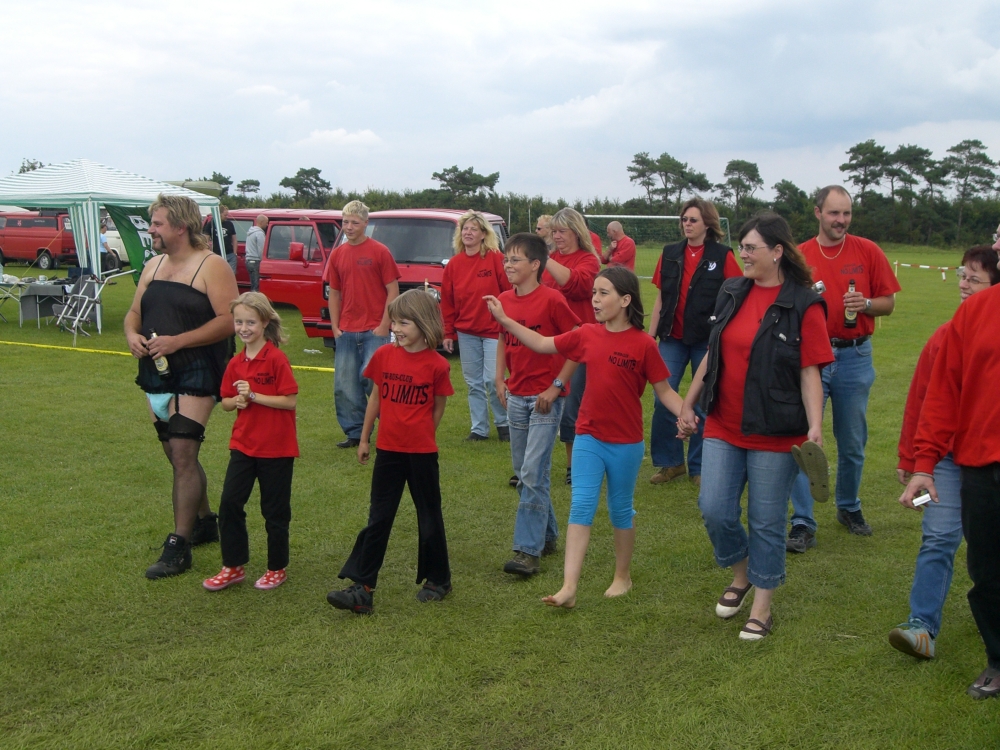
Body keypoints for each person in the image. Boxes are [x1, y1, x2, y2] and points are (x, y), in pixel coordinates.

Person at [486, 267, 685, 608]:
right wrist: (505, 320)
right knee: (581, 506)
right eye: (594, 292)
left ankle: (622, 576)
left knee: (620, 509)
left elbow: (664, 390)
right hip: (588, 437)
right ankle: (569, 588)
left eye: (603, 293)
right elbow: (542, 343)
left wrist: (686, 413)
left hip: (626, 443)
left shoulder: (643, 344)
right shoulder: (587, 334)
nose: (595, 299)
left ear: (625, 300)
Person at [679, 213, 832, 640]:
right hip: (723, 423)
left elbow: (810, 371)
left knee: (767, 520)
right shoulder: (732, 291)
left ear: (777, 251)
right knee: (714, 508)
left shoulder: (804, 303)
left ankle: (762, 606)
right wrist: (688, 402)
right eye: (742, 247)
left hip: (776, 430)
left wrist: (815, 426)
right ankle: (742, 573)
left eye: (751, 248)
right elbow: (712, 353)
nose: (743, 255)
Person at [890, 247, 1000, 659]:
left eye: (975, 279)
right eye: (962, 276)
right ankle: (921, 626)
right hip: (947, 460)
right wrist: (912, 458)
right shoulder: (946, 334)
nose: (964, 284)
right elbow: (924, 397)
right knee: (938, 536)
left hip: (985, 456)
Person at [124, 194, 239, 579]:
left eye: (157, 223)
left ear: (180, 227)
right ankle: (205, 521)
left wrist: (178, 342)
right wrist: (131, 335)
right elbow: (134, 312)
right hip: (156, 369)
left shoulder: (211, 265)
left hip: (198, 369)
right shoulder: (153, 265)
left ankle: (179, 546)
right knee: (173, 452)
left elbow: (229, 320)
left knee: (184, 452)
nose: (151, 230)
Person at [327, 289, 455, 614]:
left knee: (429, 516)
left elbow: (438, 407)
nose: (396, 328)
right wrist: (365, 438)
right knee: (378, 518)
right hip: (388, 451)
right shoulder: (384, 356)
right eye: (394, 322)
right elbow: (375, 398)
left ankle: (438, 580)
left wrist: (424, 435)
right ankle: (362, 588)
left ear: (424, 324)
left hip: (421, 454)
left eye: (404, 323)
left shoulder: (437, 365)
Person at [787, 186, 900, 545]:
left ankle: (849, 506)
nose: (841, 220)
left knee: (852, 441)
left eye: (846, 213)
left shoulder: (868, 250)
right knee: (805, 440)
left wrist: (865, 303)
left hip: (854, 356)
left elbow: (888, 303)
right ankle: (803, 521)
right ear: (818, 212)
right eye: (834, 213)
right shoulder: (800, 255)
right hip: (812, 359)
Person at [493, 233, 580, 576]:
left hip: (545, 400)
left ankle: (527, 551)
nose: (508, 265)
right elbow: (503, 338)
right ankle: (548, 535)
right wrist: (499, 379)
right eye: (506, 259)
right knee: (526, 471)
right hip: (516, 396)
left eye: (515, 260)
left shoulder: (553, 300)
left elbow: (577, 345)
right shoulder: (503, 300)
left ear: (535, 265)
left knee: (531, 472)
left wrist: (556, 387)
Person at [203, 292, 299, 592]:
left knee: (274, 511)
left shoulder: (277, 359)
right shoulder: (235, 363)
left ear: (265, 322)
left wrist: (255, 395)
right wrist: (237, 401)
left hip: (277, 448)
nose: (243, 328)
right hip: (243, 445)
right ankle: (233, 566)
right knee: (230, 503)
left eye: (250, 322)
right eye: (239, 322)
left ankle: (276, 568)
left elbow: (289, 401)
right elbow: (225, 402)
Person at [648, 198, 741, 487]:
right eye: (684, 219)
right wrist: (650, 337)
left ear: (707, 224)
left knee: (703, 401)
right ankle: (671, 463)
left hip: (707, 340)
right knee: (663, 398)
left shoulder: (723, 255)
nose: (687, 224)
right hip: (672, 339)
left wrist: (725, 336)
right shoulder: (670, 253)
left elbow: (737, 296)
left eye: (693, 220)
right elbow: (661, 298)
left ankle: (699, 467)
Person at [324, 200, 400, 448]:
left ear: (366, 223)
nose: (349, 227)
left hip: (374, 329)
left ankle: (392, 425)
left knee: (372, 379)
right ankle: (355, 433)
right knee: (344, 384)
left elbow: (393, 290)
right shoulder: (337, 254)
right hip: (346, 330)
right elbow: (334, 292)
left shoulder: (380, 251)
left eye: (354, 223)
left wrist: (384, 325)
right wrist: (335, 327)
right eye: (345, 222)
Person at [542, 207, 601, 485]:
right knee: (544, 405)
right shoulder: (551, 259)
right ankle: (533, 465)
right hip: (550, 344)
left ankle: (573, 466)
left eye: (561, 231)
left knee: (572, 408)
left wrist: (544, 260)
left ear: (576, 232)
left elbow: (577, 286)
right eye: (553, 231)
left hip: (579, 347)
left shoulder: (588, 260)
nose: (556, 236)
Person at [441, 210, 511, 442]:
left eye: (474, 229)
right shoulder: (454, 264)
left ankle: (504, 423)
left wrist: (507, 322)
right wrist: (448, 332)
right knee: (473, 383)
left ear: (483, 234)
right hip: (466, 332)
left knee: (493, 379)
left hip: (494, 331)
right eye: (465, 229)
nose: (468, 233)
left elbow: (509, 292)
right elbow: (448, 302)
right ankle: (479, 428)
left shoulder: (495, 258)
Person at [244, 214, 268, 292]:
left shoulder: (250, 232)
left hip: (248, 261)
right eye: (266, 222)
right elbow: (261, 250)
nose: (267, 225)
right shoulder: (260, 233)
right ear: (261, 222)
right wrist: (264, 261)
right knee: (256, 287)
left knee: (253, 284)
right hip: (256, 261)